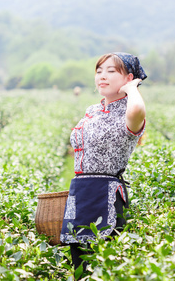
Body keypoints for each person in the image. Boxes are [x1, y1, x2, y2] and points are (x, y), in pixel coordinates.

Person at [60, 52, 147, 273]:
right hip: (80, 193)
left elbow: (137, 110)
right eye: (99, 71)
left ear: (128, 78)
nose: (102, 76)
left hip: (105, 194)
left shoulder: (129, 111)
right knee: (79, 265)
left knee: (102, 266)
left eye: (111, 71)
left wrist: (133, 89)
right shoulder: (92, 110)